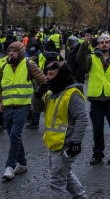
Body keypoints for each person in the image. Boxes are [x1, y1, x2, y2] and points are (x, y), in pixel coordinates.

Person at [78, 33, 110, 165]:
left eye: (106, 42)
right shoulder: (92, 58)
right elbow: (81, 61)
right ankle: (97, 154)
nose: (104, 44)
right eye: (101, 42)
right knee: (97, 130)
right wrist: (84, 45)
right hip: (96, 100)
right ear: (98, 45)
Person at [41, 61, 88, 198]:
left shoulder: (72, 94)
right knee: (65, 175)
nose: (47, 77)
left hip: (65, 144)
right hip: (54, 143)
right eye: (46, 74)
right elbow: (38, 109)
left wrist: (76, 142)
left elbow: (82, 119)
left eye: (51, 74)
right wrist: (37, 96)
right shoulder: (51, 93)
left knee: (57, 181)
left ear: (61, 76)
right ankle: (81, 196)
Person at [1, 40, 48, 179]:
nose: (11, 53)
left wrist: (37, 98)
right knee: (13, 136)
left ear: (21, 52)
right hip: (8, 106)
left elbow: (43, 81)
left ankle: (10, 166)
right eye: (9, 51)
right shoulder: (4, 66)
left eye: (14, 51)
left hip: (23, 106)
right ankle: (22, 163)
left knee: (15, 135)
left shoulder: (29, 64)